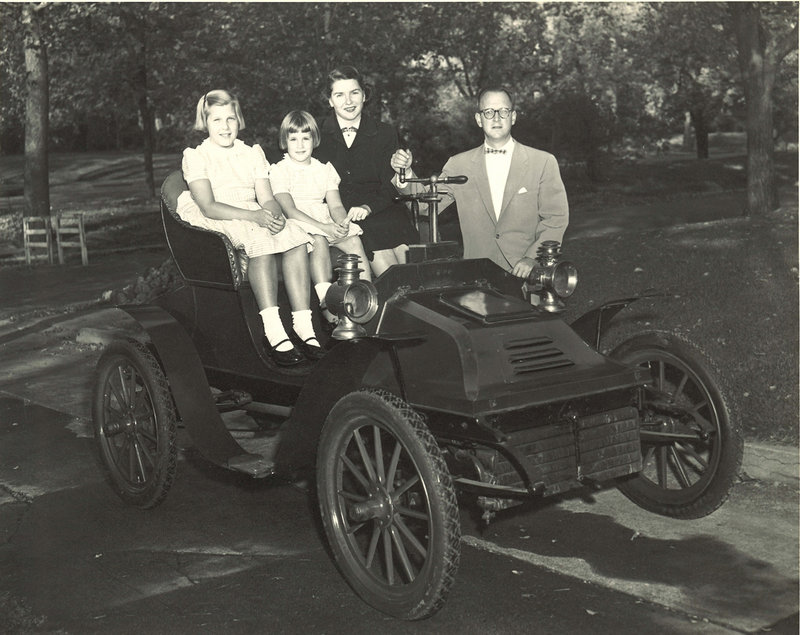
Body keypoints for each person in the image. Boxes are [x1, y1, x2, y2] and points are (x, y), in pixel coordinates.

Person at [176, 90, 325, 366]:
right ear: (205, 123)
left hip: (253, 210)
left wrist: (273, 214)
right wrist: (255, 217)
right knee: (261, 240)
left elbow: (267, 197)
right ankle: (273, 329)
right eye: (217, 120)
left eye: (230, 119)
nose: (225, 126)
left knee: (294, 236)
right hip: (221, 214)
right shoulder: (197, 156)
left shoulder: (251, 153)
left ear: (239, 120)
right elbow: (208, 206)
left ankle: (303, 325)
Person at [391, 87, 568, 282]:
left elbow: (555, 219)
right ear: (478, 119)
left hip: (528, 274)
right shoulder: (459, 164)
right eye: (489, 112)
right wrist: (405, 172)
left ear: (514, 116)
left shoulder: (543, 162)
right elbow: (425, 206)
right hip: (477, 277)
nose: (497, 118)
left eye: (503, 111)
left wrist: (532, 258)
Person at [314, 66, 418, 277]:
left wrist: (369, 207)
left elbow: (391, 185)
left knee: (412, 265)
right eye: (339, 95)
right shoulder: (315, 133)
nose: (349, 101)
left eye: (354, 92)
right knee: (393, 274)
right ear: (330, 100)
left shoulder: (384, 133)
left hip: (383, 209)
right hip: (344, 215)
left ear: (364, 95)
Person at [270, 110, 371, 325]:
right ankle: (327, 302)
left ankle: (365, 300)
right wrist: (324, 228)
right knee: (319, 240)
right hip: (298, 222)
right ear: (284, 141)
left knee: (354, 240)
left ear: (314, 140)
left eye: (305, 138)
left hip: (323, 218)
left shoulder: (324, 170)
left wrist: (341, 223)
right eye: (293, 139)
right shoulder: (280, 170)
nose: (300, 145)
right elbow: (289, 210)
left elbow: (335, 205)